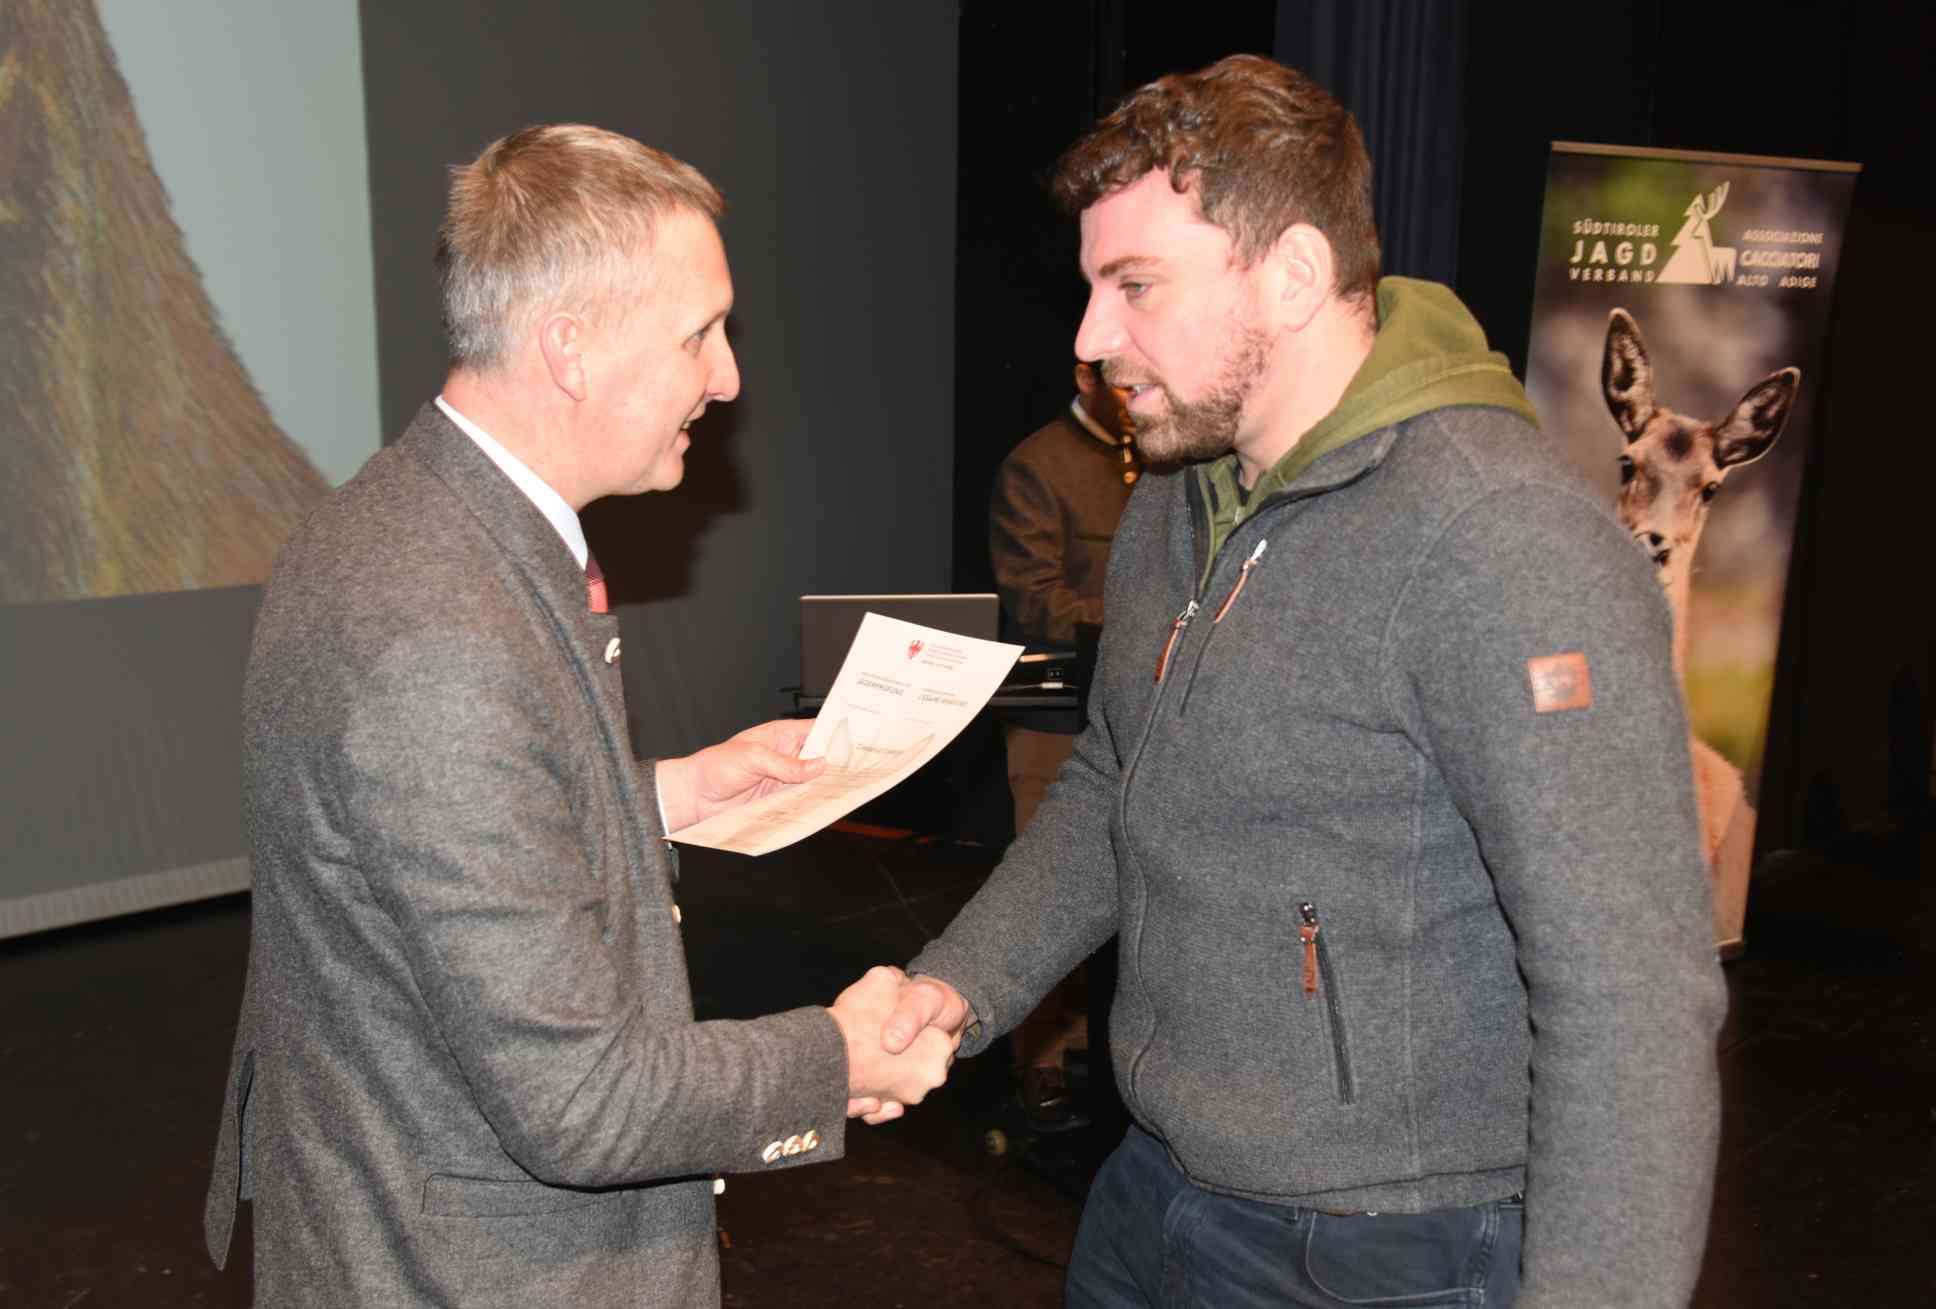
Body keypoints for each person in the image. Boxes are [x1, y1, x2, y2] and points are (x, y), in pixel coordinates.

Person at [877, 56, 1727, 1306]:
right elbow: (1116, 777)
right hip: (1150, 1190)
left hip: (1389, 1251)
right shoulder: (1180, 491)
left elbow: (1631, 1000)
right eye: (1093, 288)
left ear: (1292, 274)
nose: (1090, 339)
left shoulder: (1502, 541)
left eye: (1135, 286)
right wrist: (958, 986)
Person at [202, 124, 954, 1309]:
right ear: (570, 347)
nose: (727, 378)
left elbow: (422, 841)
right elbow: (582, 1101)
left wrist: (667, 793)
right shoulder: (440, 625)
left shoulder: (402, 521)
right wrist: (836, 1055)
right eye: (699, 333)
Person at [989, 361, 1139, 1131]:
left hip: (1140, 715)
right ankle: (1044, 1061)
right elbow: (1035, 599)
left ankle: (1119, 1055)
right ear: (1085, 377)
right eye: (1122, 382)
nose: (1136, 396)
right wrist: (1148, 621)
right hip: (1056, 719)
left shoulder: (1164, 460)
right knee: (1048, 897)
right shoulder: (1037, 464)